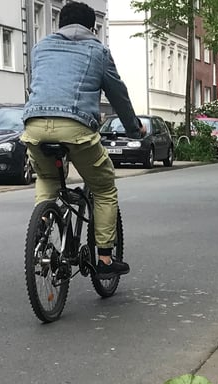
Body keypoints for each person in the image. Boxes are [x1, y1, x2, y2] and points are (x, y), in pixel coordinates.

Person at [21, 1, 145, 276]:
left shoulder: (40, 48)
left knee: (47, 179)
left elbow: (38, 86)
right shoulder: (98, 51)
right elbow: (118, 95)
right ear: (92, 28)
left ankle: (41, 239)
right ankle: (104, 259)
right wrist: (134, 129)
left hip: (35, 126)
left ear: (59, 24)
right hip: (76, 128)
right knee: (103, 188)